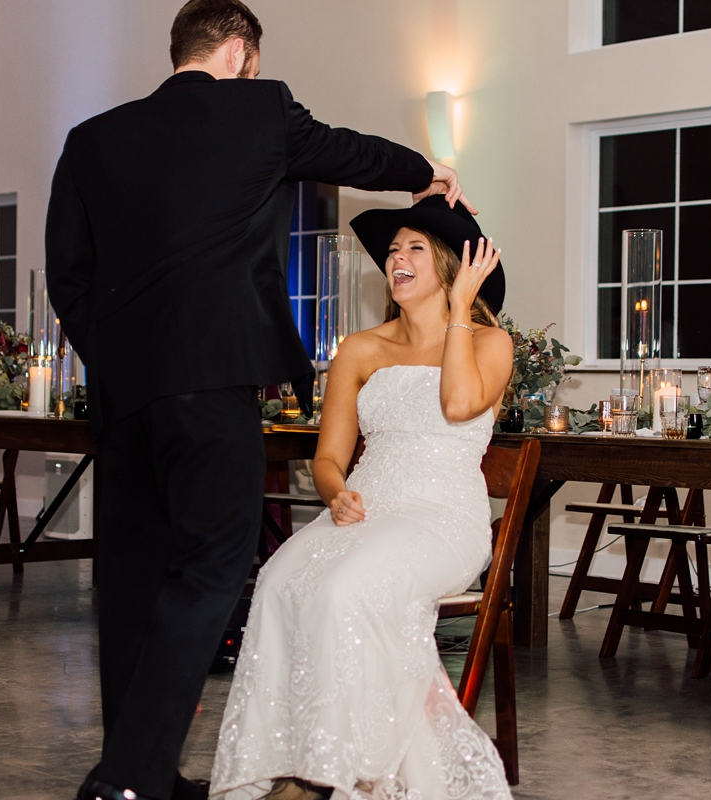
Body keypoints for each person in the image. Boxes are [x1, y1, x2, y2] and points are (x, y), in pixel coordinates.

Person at [44, 3, 474, 799]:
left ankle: (147, 773)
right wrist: (424, 171)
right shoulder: (260, 108)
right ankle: (128, 780)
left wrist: (118, 358)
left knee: (132, 581)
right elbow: (349, 151)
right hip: (213, 382)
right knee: (210, 568)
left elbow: (68, 275)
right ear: (241, 51)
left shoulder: (92, 138)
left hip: (124, 392)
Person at [210, 195, 512, 800]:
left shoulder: (489, 343)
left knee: (347, 590)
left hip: (441, 516)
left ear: (452, 265)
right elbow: (327, 457)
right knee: (277, 582)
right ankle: (296, 760)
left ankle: (326, 777)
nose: (396, 258)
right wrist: (336, 492)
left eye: (415, 248)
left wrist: (457, 311)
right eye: (392, 250)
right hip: (364, 509)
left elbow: (456, 405)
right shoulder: (360, 349)